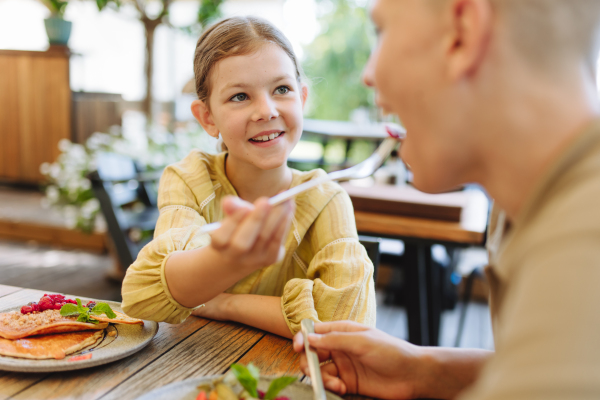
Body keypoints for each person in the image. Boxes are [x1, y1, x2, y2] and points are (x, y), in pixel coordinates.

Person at [293, 0, 600, 399]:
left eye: (382, 32)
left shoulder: (583, 245)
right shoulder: (522, 207)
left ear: (462, 33)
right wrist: (423, 371)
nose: (368, 75)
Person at [121, 16, 376, 339]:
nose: (267, 110)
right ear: (207, 118)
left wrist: (224, 303)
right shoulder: (190, 179)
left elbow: (347, 326)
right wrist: (229, 264)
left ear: (302, 98)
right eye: (240, 96)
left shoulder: (325, 198)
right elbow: (144, 297)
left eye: (282, 89)